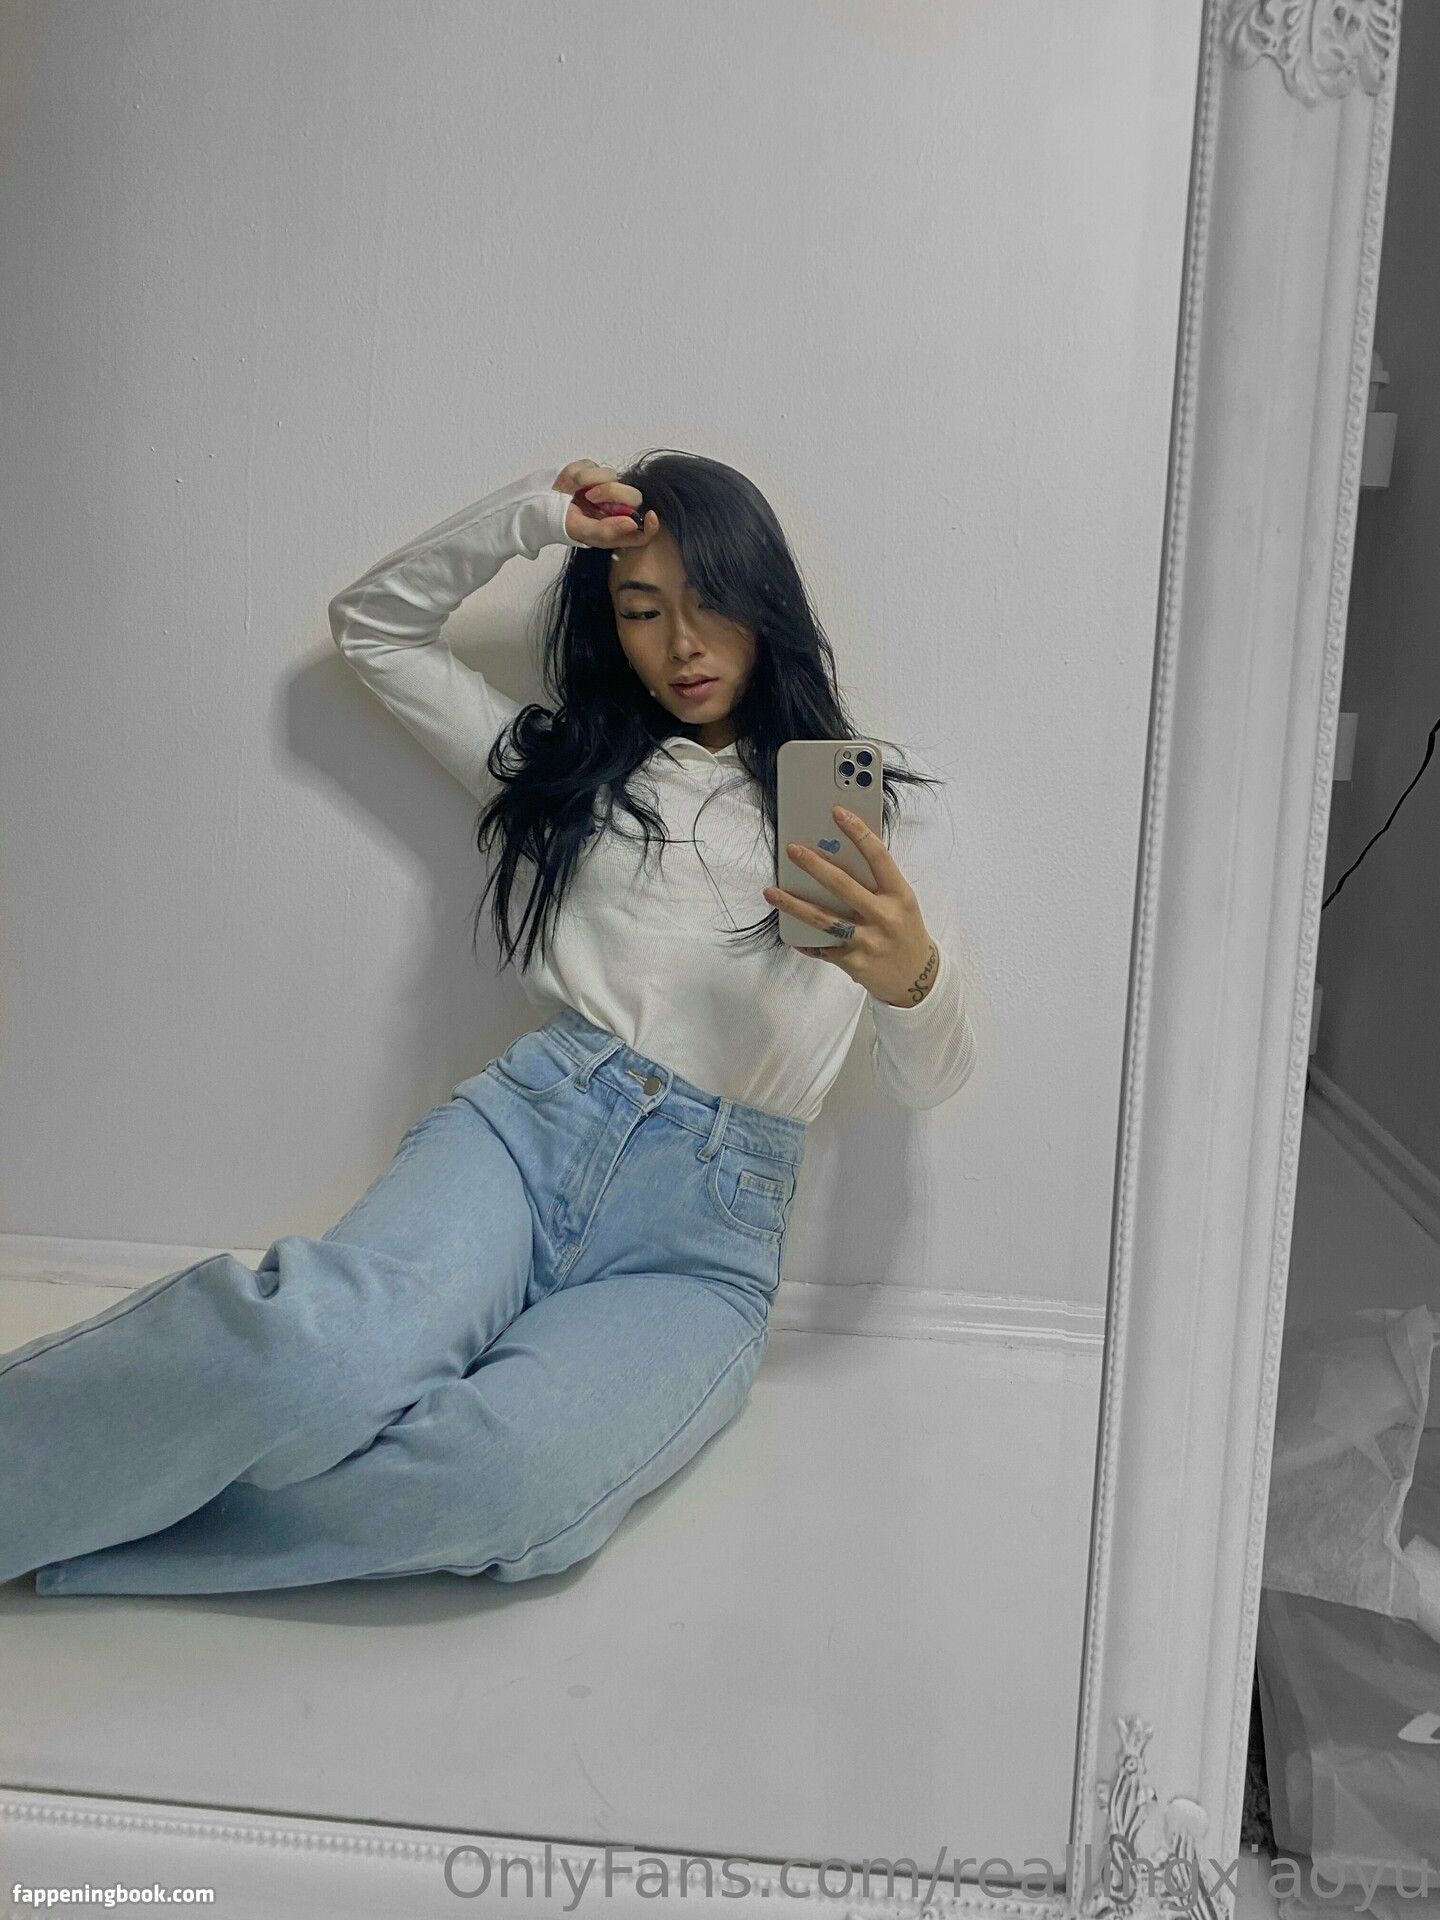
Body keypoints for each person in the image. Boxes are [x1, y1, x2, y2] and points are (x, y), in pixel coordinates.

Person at [2, 454, 977, 1598]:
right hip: (526, 1138)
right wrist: (533, 519)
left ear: (767, 603)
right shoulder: (564, 770)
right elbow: (375, 629)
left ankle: (102, 1515)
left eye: (712, 601)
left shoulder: (872, 813)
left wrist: (912, 980)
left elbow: (929, 1080)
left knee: (505, 1485)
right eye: (642, 610)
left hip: (702, 1243)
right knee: (317, 1357)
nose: (683, 643)